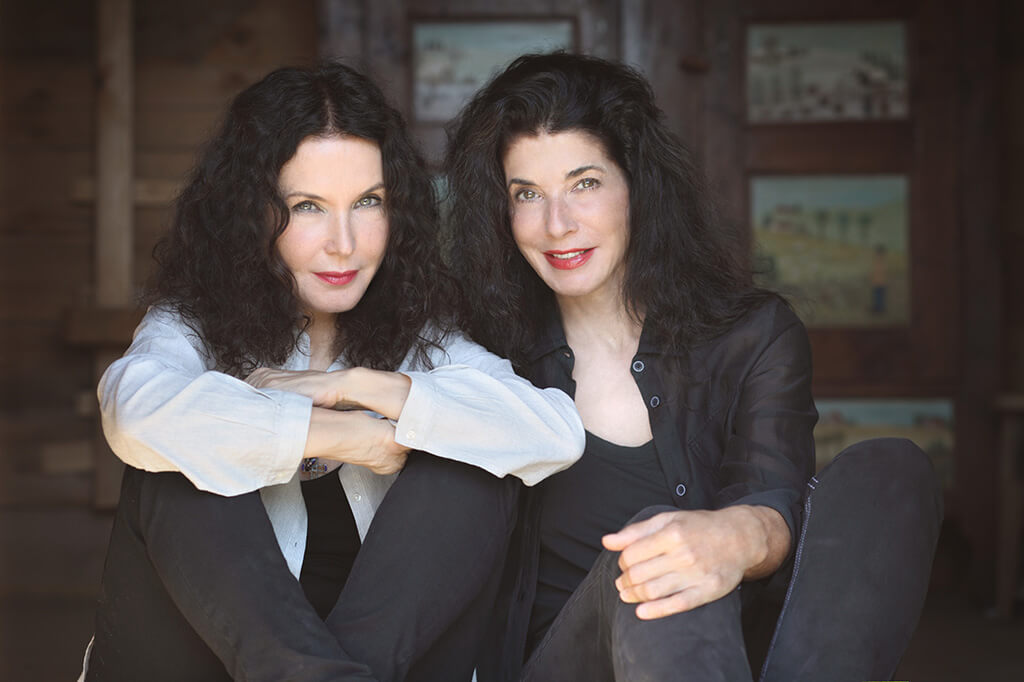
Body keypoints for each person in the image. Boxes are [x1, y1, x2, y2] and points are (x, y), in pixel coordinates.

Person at [444, 52, 943, 682]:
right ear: (501, 213)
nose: (557, 223)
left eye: (585, 183)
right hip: (567, 663)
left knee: (890, 470)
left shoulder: (753, 334)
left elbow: (774, 490)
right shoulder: (483, 355)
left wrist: (737, 538)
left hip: (741, 651)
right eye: (526, 194)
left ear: (637, 187)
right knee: (660, 555)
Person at [81, 62, 585, 682]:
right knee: (179, 460)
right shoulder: (194, 323)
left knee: (470, 454)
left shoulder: (419, 333)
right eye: (308, 206)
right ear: (253, 214)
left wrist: (358, 389)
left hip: (379, 658)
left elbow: (553, 431)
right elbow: (133, 408)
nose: (343, 243)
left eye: (367, 203)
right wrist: (352, 438)